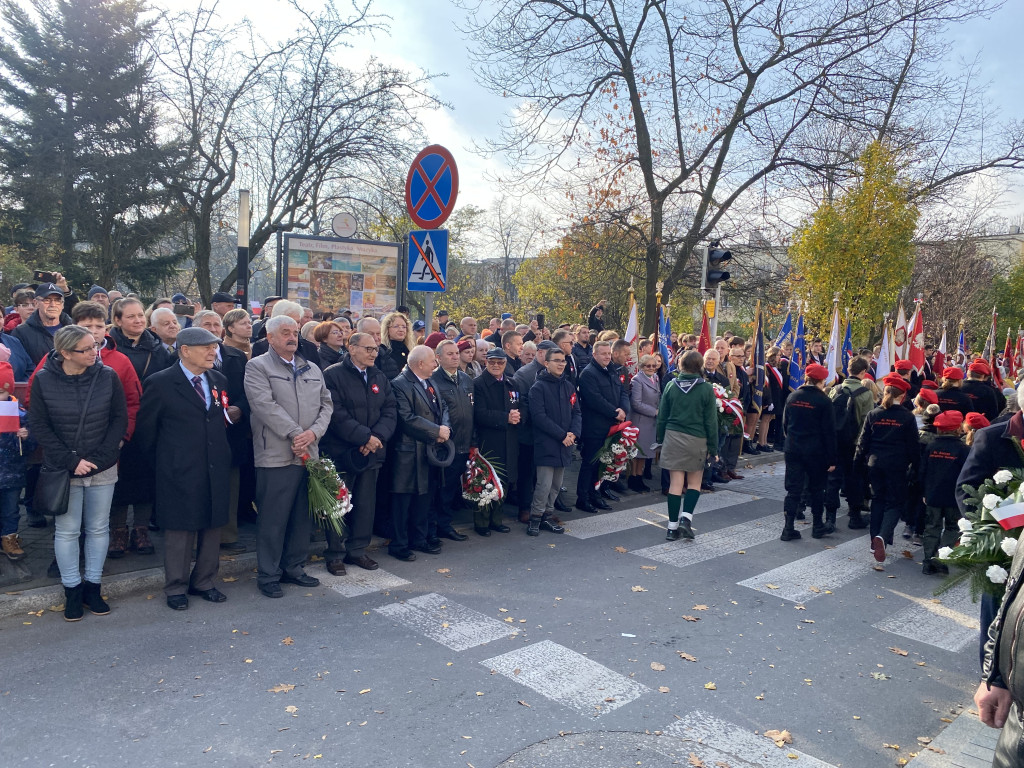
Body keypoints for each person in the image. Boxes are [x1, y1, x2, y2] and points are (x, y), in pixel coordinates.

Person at [29, 325, 127, 621]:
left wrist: (99, 458)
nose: (93, 353)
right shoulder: (44, 380)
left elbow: (118, 419)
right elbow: (40, 426)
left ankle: (93, 586)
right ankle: (71, 588)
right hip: (64, 469)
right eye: (85, 349)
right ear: (64, 353)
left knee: (98, 528)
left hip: (102, 466)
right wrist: (72, 461)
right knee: (67, 530)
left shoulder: (107, 376)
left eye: (94, 346)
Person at [135, 327, 232, 610]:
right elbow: (146, 432)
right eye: (206, 347)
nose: (213, 352)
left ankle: (204, 581)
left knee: (212, 524)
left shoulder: (218, 379)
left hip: (214, 465)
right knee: (180, 528)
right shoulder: (161, 383)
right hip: (177, 468)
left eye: (214, 347)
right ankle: (175, 586)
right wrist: (167, 462)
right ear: (185, 350)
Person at [244, 316, 333, 598]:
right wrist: (296, 433)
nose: (292, 337)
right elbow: (263, 406)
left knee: (301, 516)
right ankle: (269, 574)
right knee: (273, 518)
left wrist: (313, 434)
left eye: (295, 333)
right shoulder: (257, 367)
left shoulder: (312, 367)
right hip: (276, 455)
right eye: (285, 333)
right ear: (270, 337)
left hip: (309, 453)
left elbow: (326, 405)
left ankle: (294, 568)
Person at [319, 332, 397, 574]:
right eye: (368, 349)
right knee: (339, 505)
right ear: (351, 349)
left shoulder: (379, 375)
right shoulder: (332, 374)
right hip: (343, 452)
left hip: (372, 452)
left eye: (375, 349)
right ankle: (335, 554)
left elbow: (390, 409)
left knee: (365, 504)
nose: (374, 353)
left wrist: (376, 438)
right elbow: (335, 413)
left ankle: (358, 551)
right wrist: (365, 437)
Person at [389, 345, 451, 559]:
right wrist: (437, 431)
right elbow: (406, 419)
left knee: (424, 498)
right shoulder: (399, 384)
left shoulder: (430, 380)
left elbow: (443, 407)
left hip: (429, 451)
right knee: (403, 501)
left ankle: (419, 539)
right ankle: (399, 544)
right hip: (408, 453)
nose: (436, 364)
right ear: (420, 364)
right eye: (433, 360)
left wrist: (445, 428)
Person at [855, 374, 919, 563]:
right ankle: (883, 535)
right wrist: (917, 467)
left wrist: (857, 464)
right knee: (894, 503)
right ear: (904, 395)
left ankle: (874, 541)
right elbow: (913, 446)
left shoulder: (874, 414)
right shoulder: (907, 417)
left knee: (878, 500)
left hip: (874, 464)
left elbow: (862, 443)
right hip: (897, 466)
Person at [655, 350, 719, 540]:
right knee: (694, 483)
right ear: (699, 366)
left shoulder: (670, 386)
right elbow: (711, 421)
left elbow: (662, 416)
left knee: (675, 484)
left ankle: (671, 528)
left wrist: (660, 440)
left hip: (673, 437)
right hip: (696, 438)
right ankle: (686, 518)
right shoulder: (706, 388)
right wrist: (714, 448)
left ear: (680, 365)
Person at [780, 363, 837, 541]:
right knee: (817, 489)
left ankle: (788, 528)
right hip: (815, 451)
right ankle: (817, 526)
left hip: (793, 448)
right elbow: (829, 432)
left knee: (793, 489)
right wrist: (832, 458)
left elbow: (785, 424)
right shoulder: (824, 401)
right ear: (822, 380)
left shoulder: (793, 396)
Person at [527, 347, 577, 536]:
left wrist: (573, 433)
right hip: (547, 443)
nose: (561, 364)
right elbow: (539, 417)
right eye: (556, 360)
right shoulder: (538, 387)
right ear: (546, 363)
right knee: (544, 484)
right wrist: (562, 435)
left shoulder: (568, 386)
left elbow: (576, 412)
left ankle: (547, 515)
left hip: (565, 444)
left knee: (556, 485)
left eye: (563, 360)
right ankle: (535, 518)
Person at [575, 341, 628, 513]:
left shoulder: (612, 369)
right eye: (603, 354)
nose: (607, 356)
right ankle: (583, 498)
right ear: (595, 355)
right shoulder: (588, 374)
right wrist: (614, 412)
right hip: (594, 427)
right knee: (590, 463)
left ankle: (595, 495)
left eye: (608, 353)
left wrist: (623, 409)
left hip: (612, 425)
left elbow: (622, 391)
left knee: (603, 464)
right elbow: (594, 399)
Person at [430, 340, 474, 541]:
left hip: (464, 443)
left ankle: (445, 524)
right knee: (440, 489)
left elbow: (472, 411)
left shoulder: (466, 379)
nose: (455, 356)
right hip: (445, 446)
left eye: (457, 353)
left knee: (451, 488)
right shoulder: (434, 380)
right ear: (438, 358)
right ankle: (436, 526)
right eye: (450, 354)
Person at [474, 348, 520, 535]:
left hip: (509, 441)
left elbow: (519, 404)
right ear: (486, 362)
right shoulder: (478, 384)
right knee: (486, 482)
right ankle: (482, 523)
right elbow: (479, 413)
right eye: (492, 362)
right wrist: (505, 418)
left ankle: (496, 519)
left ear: (505, 364)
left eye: (500, 362)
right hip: (488, 441)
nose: (496, 365)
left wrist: (519, 415)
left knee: (504, 482)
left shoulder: (511, 383)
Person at [826, 356, 874, 529]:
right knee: (855, 480)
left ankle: (830, 518)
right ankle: (854, 516)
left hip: (835, 442)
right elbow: (866, 422)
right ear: (863, 373)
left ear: (848, 370)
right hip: (854, 443)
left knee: (833, 480)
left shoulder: (835, 390)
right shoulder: (866, 393)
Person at [918, 409, 968, 576]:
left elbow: (922, 471)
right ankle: (941, 557)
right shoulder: (963, 449)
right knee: (953, 528)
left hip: (933, 494)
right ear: (957, 428)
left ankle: (927, 562)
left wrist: (923, 491)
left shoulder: (932, 446)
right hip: (954, 496)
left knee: (932, 526)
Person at [0, 362, 31, 560]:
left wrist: (26, 436)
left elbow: (33, 440)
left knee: (11, 509)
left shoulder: (18, 412)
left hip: (12, 471)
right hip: (10, 469)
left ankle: (9, 538)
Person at [13, 281, 73, 364]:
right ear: (36, 303)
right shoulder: (21, 333)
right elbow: (21, 367)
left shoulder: (74, 330)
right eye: (47, 300)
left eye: (57, 300)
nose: (53, 304)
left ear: (62, 304)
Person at [252, 301, 320, 368]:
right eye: (291, 321)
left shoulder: (310, 348)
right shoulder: (260, 348)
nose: (296, 326)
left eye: (298, 322)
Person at [628, 353, 661, 492]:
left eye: (654, 366)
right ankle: (633, 478)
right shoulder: (637, 380)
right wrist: (654, 411)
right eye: (648, 366)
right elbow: (636, 403)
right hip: (640, 421)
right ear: (641, 366)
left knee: (645, 453)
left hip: (650, 422)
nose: (651, 368)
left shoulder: (656, 378)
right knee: (637, 453)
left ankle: (639, 476)